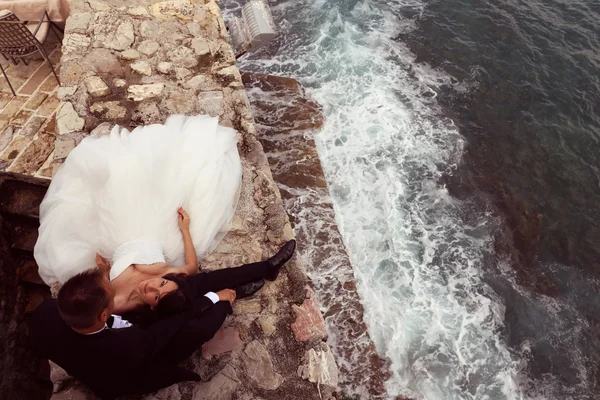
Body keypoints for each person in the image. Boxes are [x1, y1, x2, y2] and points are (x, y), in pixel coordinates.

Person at [33, 114, 242, 295]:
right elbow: (191, 267)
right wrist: (185, 230)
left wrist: (104, 273)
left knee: (116, 177)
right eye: (161, 287)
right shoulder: (167, 275)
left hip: (117, 233)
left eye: (156, 295)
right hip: (156, 229)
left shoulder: (115, 301)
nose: (153, 288)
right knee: (139, 172)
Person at [29, 268, 230, 399]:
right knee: (194, 333)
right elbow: (171, 323)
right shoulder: (129, 344)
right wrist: (214, 297)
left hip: (81, 362)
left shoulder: (44, 312)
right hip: (119, 382)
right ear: (104, 315)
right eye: (113, 296)